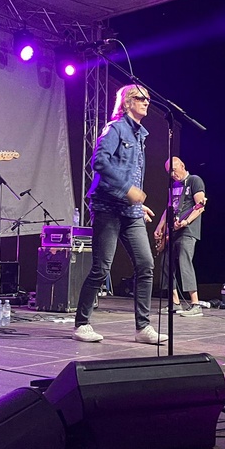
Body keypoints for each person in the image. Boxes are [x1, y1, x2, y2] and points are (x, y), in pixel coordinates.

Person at [72, 85, 167, 345]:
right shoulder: (115, 129)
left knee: (146, 264)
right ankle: (82, 323)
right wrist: (127, 190)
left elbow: (131, 172)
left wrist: (137, 202)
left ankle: (143, 327)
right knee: (101, 268)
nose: (146, 102)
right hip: (107, 208)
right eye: (140, 98)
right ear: (126, 103)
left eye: (148, 98)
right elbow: (99, 162)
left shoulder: (140, 134)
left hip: (130, 211)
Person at [154, 156, 207, 316]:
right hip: (173, 230)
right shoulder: (173, 186)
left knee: (185, 263)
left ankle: (195, 304)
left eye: (174, 170)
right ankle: (175, 302)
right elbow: (169, 208)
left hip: (188, 230)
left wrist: (186, 221)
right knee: (166, 264)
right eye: (169, 172)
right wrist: (160, 226)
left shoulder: (194, 180)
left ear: (182, 165)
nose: (172, 174)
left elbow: (200, 206)